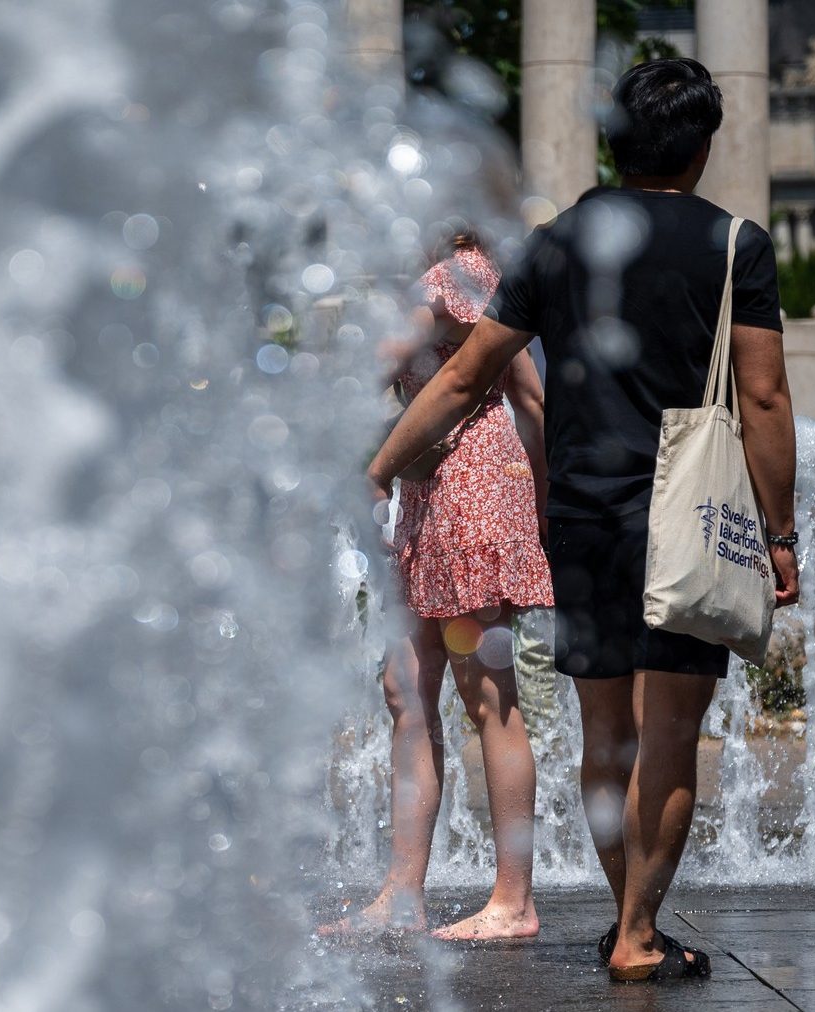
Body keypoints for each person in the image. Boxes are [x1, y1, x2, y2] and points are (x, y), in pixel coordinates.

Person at [367, 58, 799, 983]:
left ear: (613, 140)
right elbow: (762, 399)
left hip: (584, 512)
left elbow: (460, 377)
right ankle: (639, 933)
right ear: (704, 146)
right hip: (692, 514)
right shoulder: (736, 245)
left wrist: (379, 464)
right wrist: (781, 530)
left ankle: (626, 921)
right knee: (672, 732)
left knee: (607, 733)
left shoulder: (556, 244)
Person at [326, 231, 554, 941]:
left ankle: (514, 901)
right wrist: (537, 506)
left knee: (487, 695)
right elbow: (532, 400)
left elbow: (380, 364)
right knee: (409, 690)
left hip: (466, 495)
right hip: (438, 495)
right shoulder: (479, 278)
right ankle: (403, 892)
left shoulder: (456, 275)